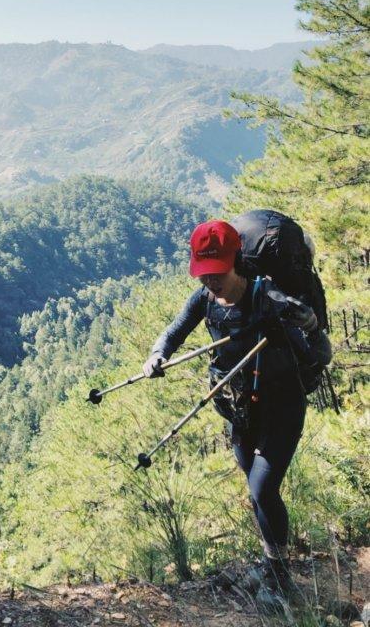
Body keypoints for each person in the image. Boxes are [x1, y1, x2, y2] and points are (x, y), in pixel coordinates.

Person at [142, 219, 329, 602]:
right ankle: (270, 565)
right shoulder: (204, 300)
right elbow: (175, 330)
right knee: (256, 490)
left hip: (283, 405)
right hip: (240, 409)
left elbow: (319, 349)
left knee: (263, 487)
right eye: (203, 274)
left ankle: (280, 579)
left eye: (217, 273)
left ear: (237, 262)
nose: (210, 281)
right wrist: (158, 355)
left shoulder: (269, 297)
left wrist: (308, 324)